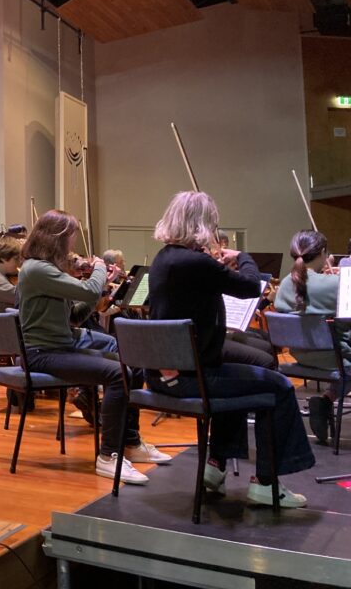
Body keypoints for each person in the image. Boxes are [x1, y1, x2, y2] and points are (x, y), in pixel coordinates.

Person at [148, 191, 314, 507]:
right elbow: (251, 286)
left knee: (244, 377)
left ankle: (215, 465)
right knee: (280, 388)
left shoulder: (164, 258)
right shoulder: (196, 262)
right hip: (188, 376)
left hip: (167, 371)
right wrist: (242, 257)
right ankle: (266, 483)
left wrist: (215, 266)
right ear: (202, 225)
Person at [17, 209, 170, 484]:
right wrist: (99, 269)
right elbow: (88, 290)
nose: (73, 243)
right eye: (72, 236)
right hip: (41, 352)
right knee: (117, 374)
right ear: (57, 237)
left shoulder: (49, 270)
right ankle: (108, 456)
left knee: (132, 364)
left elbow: (75, 316)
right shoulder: (37, 269)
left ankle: (130, 443)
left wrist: (102, 287)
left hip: (59, 346)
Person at [273, 229, 350, 444]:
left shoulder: (285, 284)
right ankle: (326, 401)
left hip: (302, 356)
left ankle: (326, 401)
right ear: (323, 252)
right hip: (335, 359)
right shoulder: (334, 284)